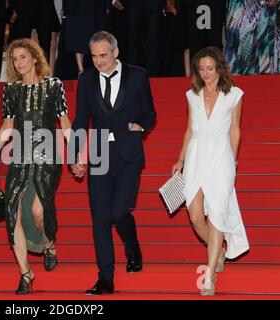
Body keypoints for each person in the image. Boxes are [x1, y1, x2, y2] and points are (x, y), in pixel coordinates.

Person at [69, 31, 157, 295]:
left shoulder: (138, 75)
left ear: (115, 52)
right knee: (99, 220)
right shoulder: (86, 80)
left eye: (103, 55)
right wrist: (76, 155)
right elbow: (81, 121)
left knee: (119, 212)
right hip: (99, 155)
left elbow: (149, 111)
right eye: (94, 56)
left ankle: (133, 248)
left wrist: (140, 125)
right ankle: (105, 278)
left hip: (128, 154)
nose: (98, 61)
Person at [171, 47, 249, 296]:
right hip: (196, 154)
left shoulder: (234, 94)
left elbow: (235, 131)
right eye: (201, 68)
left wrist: (233, 162)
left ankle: (210, 275)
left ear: (220, 69)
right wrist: (180, 159)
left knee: (216, 213)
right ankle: (219, 252)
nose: (205, 73)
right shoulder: (192, 95)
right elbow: (189, 130)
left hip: (221, 155)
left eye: (210, 68)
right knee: (195, 216)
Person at [0, 38, 71, 294]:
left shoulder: (53, 86)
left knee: (39, 211)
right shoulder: (11, 90)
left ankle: (49, 243)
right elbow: (7, 127)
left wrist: (76, 154)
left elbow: (65, 123)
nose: (18, 63)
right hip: (20, 155)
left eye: (23, 57)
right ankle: (26, 273)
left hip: (47, 154)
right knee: (12, 212)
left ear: (35, 58)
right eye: (14, 59)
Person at [226, 0, 280, 74]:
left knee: (265, 51)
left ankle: (267, 83)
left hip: (268, 8)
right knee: (238, 48)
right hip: (241, 7)